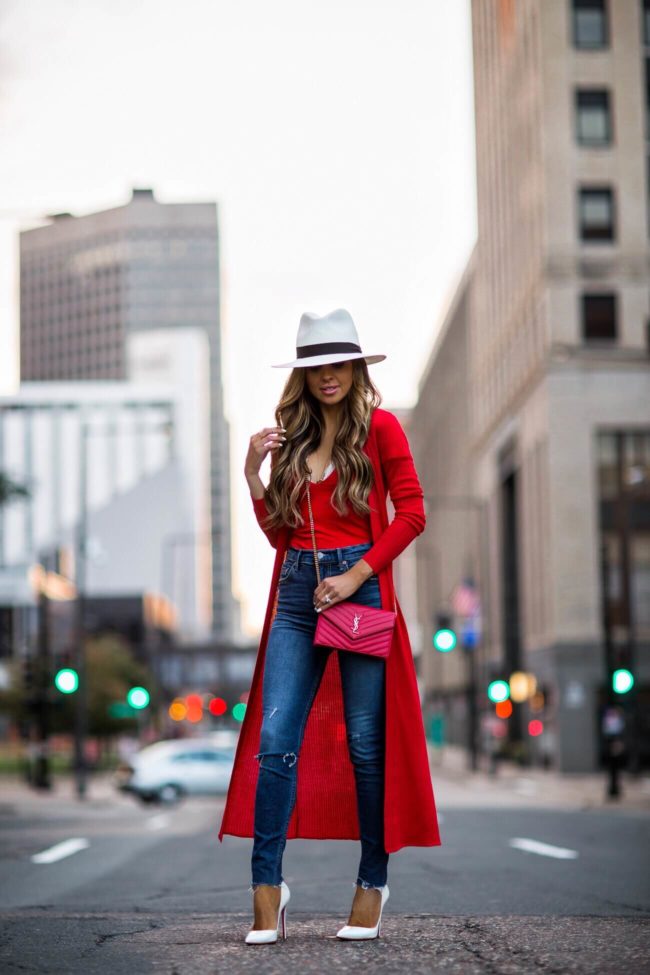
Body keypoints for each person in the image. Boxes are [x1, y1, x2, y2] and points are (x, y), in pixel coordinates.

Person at [218, 308, 441, 944]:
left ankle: (372, 883)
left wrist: (356, 576)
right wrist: (254, 477)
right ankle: (267, 887)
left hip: (359, 590)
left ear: (356, 367)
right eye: (316, 367)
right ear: (304, 375)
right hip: (296, 591)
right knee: (274, 741)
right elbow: (279, 538)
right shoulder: (289, 439)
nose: (328, 376)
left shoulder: (382, 429)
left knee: (367, 747)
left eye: (338, 364)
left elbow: (413, 512)